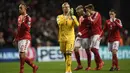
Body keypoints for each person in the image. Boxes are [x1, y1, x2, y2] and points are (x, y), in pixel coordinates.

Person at [13, 2, 38, 73]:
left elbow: (27, 29)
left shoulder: (28, 18)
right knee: (21, 56)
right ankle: (34, 66)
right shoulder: (19, 17)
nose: (19, 9)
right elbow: (19, 29)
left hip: (25, 38)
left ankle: (21, 70)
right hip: (20, 38)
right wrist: (16, 37)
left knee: (22, 54)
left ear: (25, 9)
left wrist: (24, 22)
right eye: (19, 8)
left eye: (21, 8)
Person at [56, 2, 79, 73]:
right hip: (62, 38)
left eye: (68, 7)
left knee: (69, 53)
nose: (67, 8)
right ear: (63, 8)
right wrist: (67, 16)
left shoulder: (73, 17)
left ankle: (68, 70)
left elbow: (77, 25)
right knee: (65, 54)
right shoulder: (59, 17)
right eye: (65, 7)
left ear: (69, 8)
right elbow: (60, 23)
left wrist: (72, 18)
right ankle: (68, 68)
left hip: (70, 38)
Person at [84, 4, 104, 70]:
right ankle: (98, 66)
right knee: (95, 50)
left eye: (87, 10)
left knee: (93, 49)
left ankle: (100, 61)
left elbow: (93, 22)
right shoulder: (91, 16)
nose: (86, 12)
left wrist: (89, 16)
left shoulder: (97, 14)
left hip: (97, 33)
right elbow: (89, 25)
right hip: (92, 34)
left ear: (90, 9)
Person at [74, 5, 91, 71]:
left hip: (86, 36)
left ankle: (89, 66)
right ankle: (79, 65)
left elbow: (88, 28)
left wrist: (82, 33)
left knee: (87, 51)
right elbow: (81, 26)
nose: (77, 13)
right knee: (75, 49)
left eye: (78, 11)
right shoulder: (80, 17)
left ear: (81, 10)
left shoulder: (87, 17)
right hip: (79, 36)